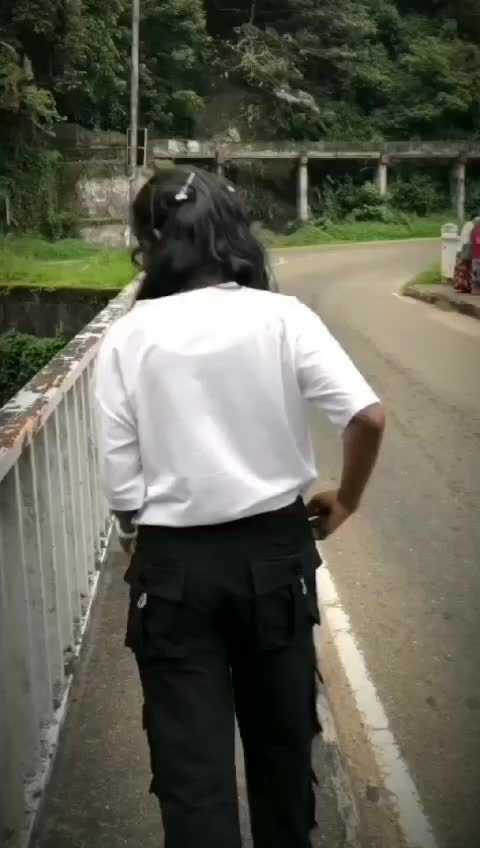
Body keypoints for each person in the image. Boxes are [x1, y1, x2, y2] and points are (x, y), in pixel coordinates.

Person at [95, 168, 385, 848]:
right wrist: (346, 499)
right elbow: (367, 417)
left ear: (150, 241)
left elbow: (124, 494)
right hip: (276, 559)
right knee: (283, 751)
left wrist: (146, 536)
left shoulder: (128, 336)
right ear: (234, 234)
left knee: (192, 776)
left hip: (174, 572)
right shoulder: (283, 317)